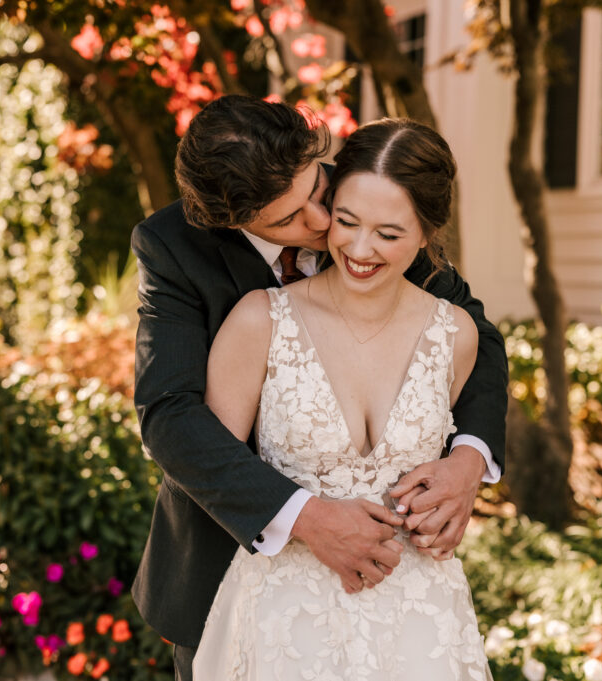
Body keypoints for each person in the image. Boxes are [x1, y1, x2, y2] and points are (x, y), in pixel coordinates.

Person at [130, 95, 508, 681]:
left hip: (408, 607)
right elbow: (170, 417)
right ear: (233, 221)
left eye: (317, 187)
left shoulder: (369, 200)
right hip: (241, 575)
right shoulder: (176, 246)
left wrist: (468, 458)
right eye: (288, 219)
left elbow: (475, 338)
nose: (325, 222)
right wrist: (303, 517)